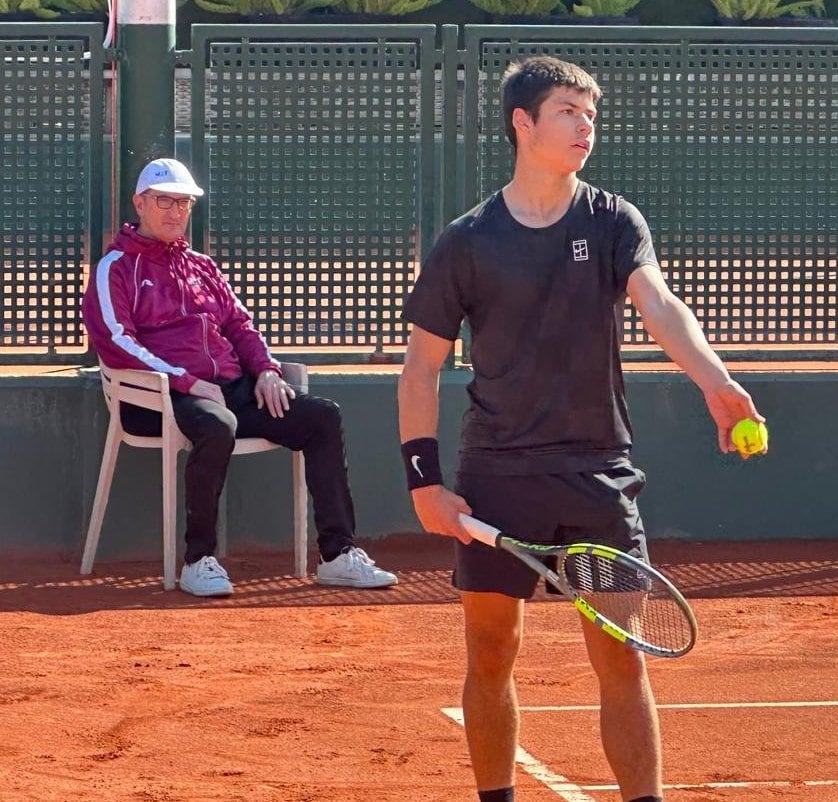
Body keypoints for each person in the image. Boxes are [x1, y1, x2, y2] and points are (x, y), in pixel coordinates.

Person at [398, 57, 765, 802]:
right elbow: (420, 369)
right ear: (523, 123)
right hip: (498, 478)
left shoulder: (613, 221)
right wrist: (424, 483)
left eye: (591, 113)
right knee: (491, 651)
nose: (585, 125)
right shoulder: (466, 242)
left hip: (598, 477)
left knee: (622, 655)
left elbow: (660, 305)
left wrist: (716, 380)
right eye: (568, 110)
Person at [82, 158, 398, 597]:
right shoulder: (115, 267)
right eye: (164, 201)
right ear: (140, 203)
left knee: (322, 417)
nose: (175, 212)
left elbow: (240, 325)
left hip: (230, 389)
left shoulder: (202, 267)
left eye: (183, 203)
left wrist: (266, 370)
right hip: (160, 398)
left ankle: (337, 555)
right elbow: (116, 341)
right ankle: (198, 560)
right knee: (218, 424)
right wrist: (185, 381)